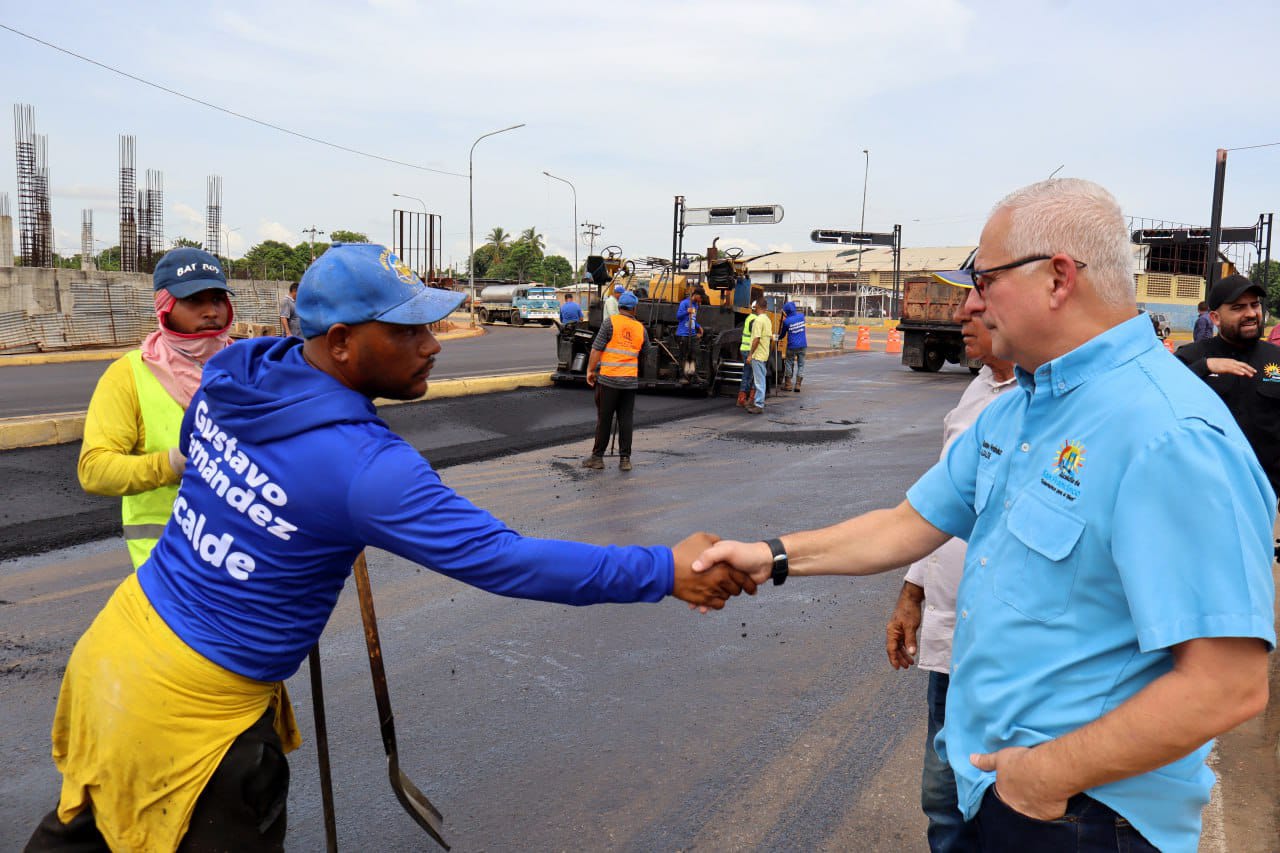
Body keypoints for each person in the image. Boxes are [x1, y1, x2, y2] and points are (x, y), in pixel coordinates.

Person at [27, 243, 754, 852]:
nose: (432, 344)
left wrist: (285, 519)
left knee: (83, 831)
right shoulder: (367, 469)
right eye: (406, 331)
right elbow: (509, 560)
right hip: (188, 716)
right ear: (341, 342)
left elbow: (203, 454)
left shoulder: (232, 374)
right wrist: (663, 568)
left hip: (114, 655)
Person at [694, 179, 1274, 853]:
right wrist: (770, 554)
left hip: (1083, 817)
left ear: (1058, 277)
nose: (970, 301)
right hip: (994, 791)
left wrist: (1044, 776)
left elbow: (1227, 684)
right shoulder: (1019, 407)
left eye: (986, 279)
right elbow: (905, 524)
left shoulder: (1170, 434)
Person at [885, 295, 1016, 853]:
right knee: (943, 800)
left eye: (978, 303)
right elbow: (936, 507)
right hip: (951, 637)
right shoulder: (977, 391)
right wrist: (912, 590)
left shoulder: (1052, 403)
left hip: (1007, 649)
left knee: (1005, 807)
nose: (961, 316)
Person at [77, 247, 235, 569]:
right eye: (194, 301)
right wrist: (172, 463)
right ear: (165, 306)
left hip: (245, 563)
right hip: (169, 569)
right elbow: (94, 470)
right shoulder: (129, 375)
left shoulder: (248, 368)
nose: (210, 311)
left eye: (217, 299)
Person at [1174, 274, 1280, 494]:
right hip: (1202, 489)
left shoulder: (1276, 358)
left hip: (1263, 490)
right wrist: (1205, 367)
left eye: (1254, 305)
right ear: (1215, 317)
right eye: (1238, 308)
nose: (1251, 314)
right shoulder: (1191, 357)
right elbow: (1157, 399)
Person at [582, 291, 649, 472]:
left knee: (604, 418)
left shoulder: (610, 322)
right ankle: (625, 460)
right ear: (635, 309)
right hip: (629, 382)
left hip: (609, 380)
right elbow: (646, 353)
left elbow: (596, 349)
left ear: (620, 307)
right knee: (626, 419)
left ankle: (597, 458)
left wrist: (590, 370)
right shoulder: (640, 328)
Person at [745, 298, 772, 414]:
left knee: (759, 381)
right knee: (759, 379)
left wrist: (750, 354)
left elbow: (756, 339)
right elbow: (770, 339)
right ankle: (755, 401)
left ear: (757, 307)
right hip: (764, 354)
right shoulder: (767, 320)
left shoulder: (758, 321)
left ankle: (759, 404)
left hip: (758, 355)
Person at [777, 300, 808, 392]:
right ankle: (798, 385)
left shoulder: (786, 321)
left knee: (789, 363)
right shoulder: (802, 317)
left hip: (792, 346)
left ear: (786, 312)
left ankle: (788, 385)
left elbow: (782, 335)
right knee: (801, 365)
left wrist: (777, 337)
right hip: (803, 345)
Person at [675, 287, 703, 380]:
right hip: (683, 334)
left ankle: (694, 374)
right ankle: (682, 376)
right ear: (696, 295)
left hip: (693, 334)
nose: (701, 300)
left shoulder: (696, 305)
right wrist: (687, 312)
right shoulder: (684, 303)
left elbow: (693, 319)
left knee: (696, 354)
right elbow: (678, 316)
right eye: (701, 297)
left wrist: (698, 326)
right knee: (683, 355)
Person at [736, 306, 757, 408]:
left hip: (745, 348)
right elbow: (756, 335)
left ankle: (742, 398)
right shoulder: (754, 319)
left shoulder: (749, 317)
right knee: (750, 374)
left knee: (747, 373)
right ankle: (746, 399)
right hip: (749, 350)